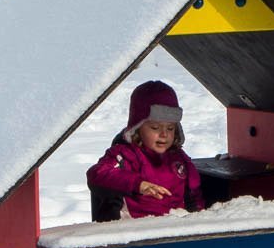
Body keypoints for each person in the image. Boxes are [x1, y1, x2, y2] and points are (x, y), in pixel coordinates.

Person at [86, 80, 205, 220]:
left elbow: (194, 195)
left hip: (175, 229)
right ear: (138, 127)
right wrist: (138, 184)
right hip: (137, 232)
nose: (164, 134)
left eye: (170, 128)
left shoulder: (178, 158)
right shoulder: (125, 155)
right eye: (155, 128)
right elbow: (97, 174)